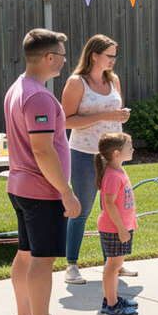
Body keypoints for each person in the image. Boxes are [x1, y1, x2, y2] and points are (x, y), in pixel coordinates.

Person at [5, 28, 82, 315]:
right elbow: (42, 149)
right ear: (49, 57)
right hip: (41, 190)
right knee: (42, 259)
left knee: (26, 254)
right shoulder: (37, 96)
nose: (64, 63)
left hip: (22, 186)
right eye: (62, 56)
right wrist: (65, 191)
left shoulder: (18, 88)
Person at [60, 34, 131, 285]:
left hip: (111, 156)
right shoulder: (76, 83)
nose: (114, 60)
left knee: (112, 208)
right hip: (84, 154)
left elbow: (114, 114)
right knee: (81, 210)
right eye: (109, 55)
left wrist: (120, 117)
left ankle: (112, 263)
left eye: (115, 55)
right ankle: (71, 265)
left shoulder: (114, 81)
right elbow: (66, 120)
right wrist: (106, 114)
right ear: (94, 55)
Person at [95, 132, 139, 315]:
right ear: (116, 153)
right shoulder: (113, 175)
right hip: (114, 228)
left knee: (115, 264)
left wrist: (129, 224)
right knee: (113, 266)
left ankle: (111, 299)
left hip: (121, 227)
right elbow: (109, 204)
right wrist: (121, 228)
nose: (133, 149)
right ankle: (111, 306)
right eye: (129, 147)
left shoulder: (119, 170)